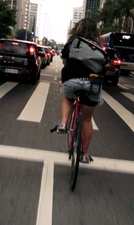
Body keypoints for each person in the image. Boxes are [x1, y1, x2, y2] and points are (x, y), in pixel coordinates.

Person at [55, 19, 104, 163]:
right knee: (87, 119)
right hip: (93, 85)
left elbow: (65, 62)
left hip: (72, 82)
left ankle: (63, 123)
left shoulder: (72, 43)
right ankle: (85, 154)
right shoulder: (98, 46)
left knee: (68, 99)